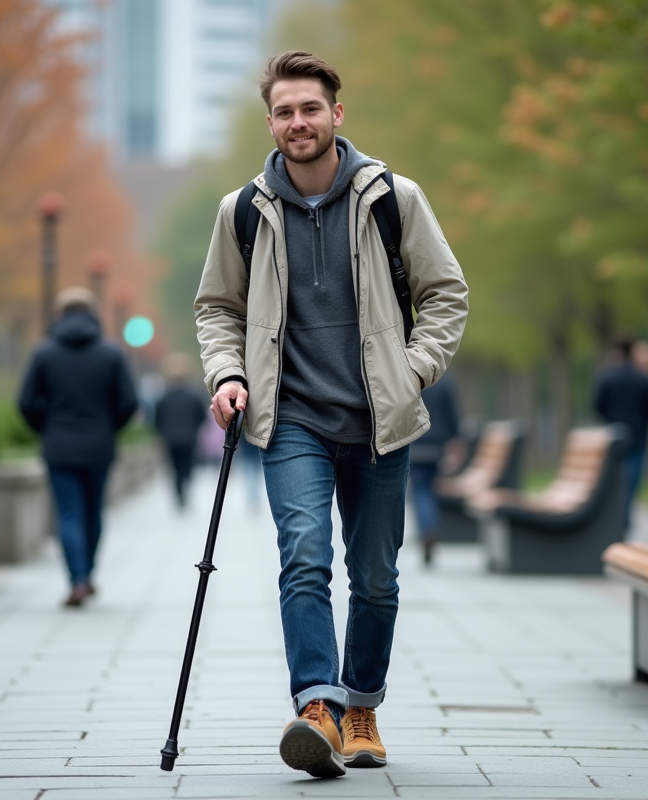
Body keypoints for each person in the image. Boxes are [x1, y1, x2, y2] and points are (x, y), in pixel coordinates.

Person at [194, 51, 468, 779]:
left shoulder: (391, 199)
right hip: (291, 423)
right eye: (284, 112)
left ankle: (361, 706)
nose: (297, 123)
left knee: (375, 576)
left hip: (382, 422)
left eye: (309, 108)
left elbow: (446, 296)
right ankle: (317, 706)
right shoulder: (243, 212)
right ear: (271, 122)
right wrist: (227, 374)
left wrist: (410, 374)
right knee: (304, 556)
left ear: (336, 114)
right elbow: (217, 308)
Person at [18, 288, 138, 607]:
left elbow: (25, 402)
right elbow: (129, 402)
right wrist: (109, 427)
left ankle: (77, 579)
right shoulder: (111, 353)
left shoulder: (44, 353)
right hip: (99, 446)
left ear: (59, 314)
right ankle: (88, 573)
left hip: (59, 446)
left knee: (69, 513)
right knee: (93, 511)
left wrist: (46, 427)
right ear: (93, 313)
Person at [592, 337, 648, 533]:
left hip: (614, 438)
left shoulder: (606, 377)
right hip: (638, 437)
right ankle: (625, 519)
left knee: (619, 481)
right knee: (632, 480)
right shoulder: (642, 378)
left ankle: (622, 520)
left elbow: (597, 406)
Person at [408, 375, 461, 566]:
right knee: (431, 489)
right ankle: (431, 528)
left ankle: (426, 530)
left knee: (420, 490)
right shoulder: (444, 381)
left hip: (414, 444)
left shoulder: (408, 376)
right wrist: (455, 440)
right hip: (437, 446)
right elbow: (452, 414)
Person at [153, 353, 208, 511]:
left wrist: (163, 432)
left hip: (170, 439)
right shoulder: (193, 396)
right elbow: (202, 416)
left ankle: (179, 491)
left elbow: (157, 420)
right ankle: (185, 485)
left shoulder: (163, 398)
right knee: (187, 465)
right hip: (189, 438)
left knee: (174, 467)